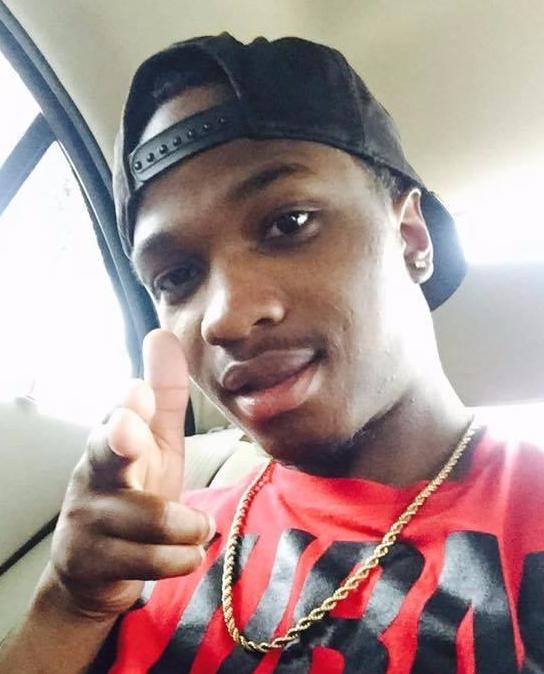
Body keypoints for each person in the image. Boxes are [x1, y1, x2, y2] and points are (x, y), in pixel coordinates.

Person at [1, 33, 543, 674]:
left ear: (410, 237)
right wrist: (70, 605)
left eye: (289, 223)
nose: (225, 319)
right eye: (177, 277)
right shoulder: (149, 545)